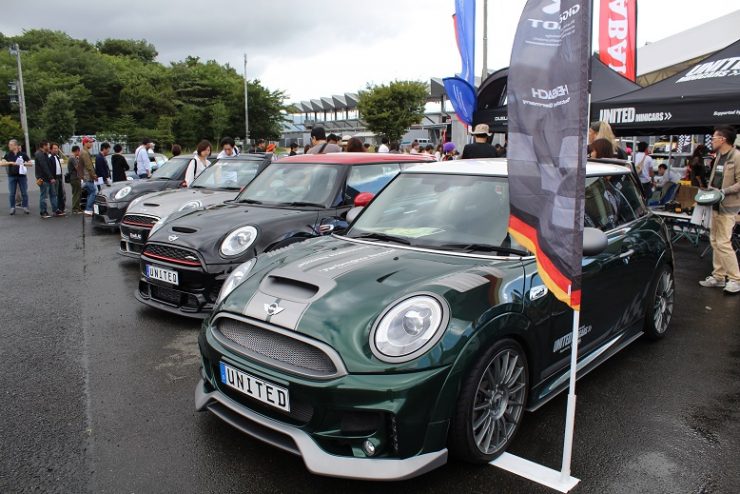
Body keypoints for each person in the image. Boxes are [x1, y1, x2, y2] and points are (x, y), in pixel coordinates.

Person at [699, 126, 740, 293]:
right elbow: (715, 179)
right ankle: (719, 276)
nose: (712, 140)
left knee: (723, 242)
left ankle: (735, 279)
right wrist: (708, 192)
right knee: (715, 241)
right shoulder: (719, 157)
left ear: (723, 139)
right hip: (716, 204)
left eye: (714, 137)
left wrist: (724, 191)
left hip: (728, 206)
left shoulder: (737, 157)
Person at [2, 139, 32, 214]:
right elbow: (1, 163)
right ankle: (12, 207)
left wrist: (23, 164)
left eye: (10, 145)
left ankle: (25, 207)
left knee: (24, 192)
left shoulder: (23, 154)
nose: (9, 146)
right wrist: (10, 162)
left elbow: (30, 164)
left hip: (22, 176)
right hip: (12, 176)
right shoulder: (8, 154)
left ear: (15, 145)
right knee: (12, 193)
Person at [34, 141, 57, 219]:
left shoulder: (45, 154)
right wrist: (51, 177)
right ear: (44, 146)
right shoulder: (39, 154)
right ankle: (43, 212)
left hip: (48, 178)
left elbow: (48, 166)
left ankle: (55, 210)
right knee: (44, 196)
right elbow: (44, 167)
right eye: (48, 145)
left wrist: (51, 177)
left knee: (53, 194)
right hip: (43, 179)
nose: (49, 147)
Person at [80, 136, 98, 216]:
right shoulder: (85, 153)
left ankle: (88, 209)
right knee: (93, 192)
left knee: (90, 193)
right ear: (85, 143)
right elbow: (89, 166)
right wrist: (94, 175)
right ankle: (88, 209)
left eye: (91, 142)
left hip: (85, 176)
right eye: (90, 142)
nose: (91, 144)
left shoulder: (83, 152)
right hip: (88, 176)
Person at [48, 143, 67, 215]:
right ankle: (56, 209)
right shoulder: (50, 158)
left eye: (57, 148)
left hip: (59, 177)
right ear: (51, 149)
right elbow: (50, 169)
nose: (56, 150)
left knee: (61, 193)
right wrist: (51, 178)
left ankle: (61, 208)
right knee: (55, 194)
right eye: (54, 148)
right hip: (54, 178)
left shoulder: (57, 157)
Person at [67, 145, 83, 213]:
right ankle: (75, 208)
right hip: (75, 178)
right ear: (77, 151)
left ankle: (77, 207)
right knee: (77, 193)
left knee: (76, 193)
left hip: (73, 178)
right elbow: (77, 168)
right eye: (79, 151)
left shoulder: (72, 157)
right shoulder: (73, 158)